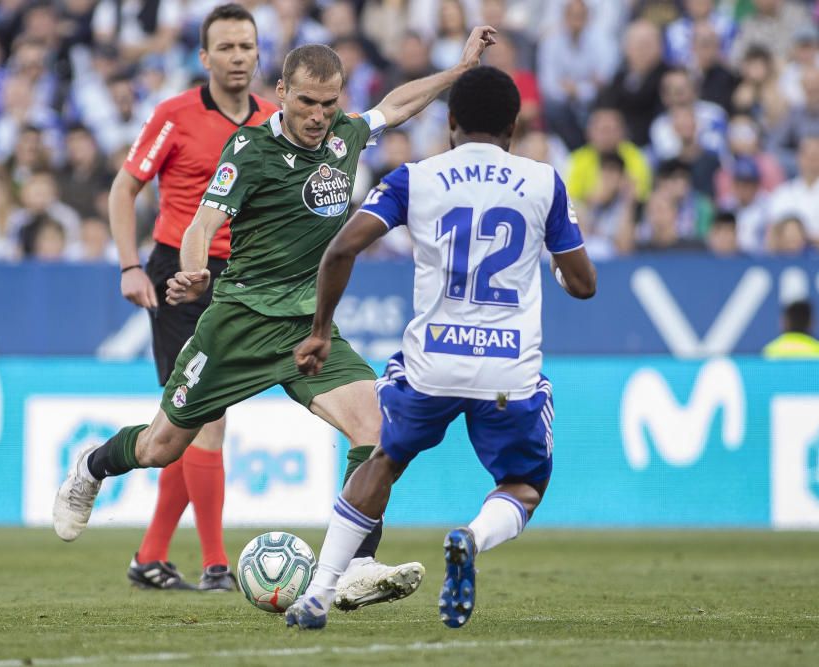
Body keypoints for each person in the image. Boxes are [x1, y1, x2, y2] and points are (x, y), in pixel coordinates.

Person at [54, 24, 500, 612]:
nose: (319, 116)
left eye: (329, 103)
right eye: (307, 103)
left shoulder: (345, 134)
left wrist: (459, 72)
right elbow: (202, 227)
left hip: (306, 328)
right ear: (283, 91)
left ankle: (355, 565)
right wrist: (193, 272)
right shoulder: (250, 148)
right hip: (239, 321)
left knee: (377, 428)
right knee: (161, 447)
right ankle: (89, 468)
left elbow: (395, 105)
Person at [283, 65, 597, 630]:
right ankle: (471, 538)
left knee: (385, 459)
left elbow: (340, 251)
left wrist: (322, 329)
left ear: (450, 121)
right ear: (515, 124)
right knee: (525, 484)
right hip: (507, 369)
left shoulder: (415, 178)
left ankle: (319, 594)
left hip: (432, 362)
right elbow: (584, 284)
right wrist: (551, 263)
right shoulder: (544, 181)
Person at [106, 3, 278, 593]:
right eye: (225, 48)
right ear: (203, 58)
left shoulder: (275, 122)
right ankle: (216, 566)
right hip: (180, 273)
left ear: (259, 54)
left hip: (243, 280)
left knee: (185, 424)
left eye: (246, 47)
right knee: (205, 417)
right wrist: (131, 266)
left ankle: (150, 556)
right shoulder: (174, 115)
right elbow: (125, 188)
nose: (237, 57)